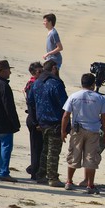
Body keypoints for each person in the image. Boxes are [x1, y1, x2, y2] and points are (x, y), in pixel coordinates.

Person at [61, 73, 105, 194]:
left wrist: (63, 131)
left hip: (77, 130)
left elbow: (66, 115)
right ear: (93, 85)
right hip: (93, 131)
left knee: (74, 155)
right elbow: (104, 118)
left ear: (82, 83)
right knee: (90, 158)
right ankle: (90, 185)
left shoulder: (74, 96)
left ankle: (69, 181)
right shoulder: (100, 98)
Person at [27, 59, 67, 187]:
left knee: (45, 150)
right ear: (54, 68)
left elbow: (30, 102)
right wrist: (67, 125)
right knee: (53, 151)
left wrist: (35, 121)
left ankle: (41, 174)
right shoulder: (55, 84)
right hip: (54, 122)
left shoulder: (37, 83)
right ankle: (52, 177)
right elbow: (65, 105)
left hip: (42, 122)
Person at [24, 62, 44, 180]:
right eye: (39, 72)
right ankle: (34, 172)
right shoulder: (32, 84)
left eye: (42, 71)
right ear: (33, 73)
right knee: (36, 147)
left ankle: (35, 169)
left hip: (37, 118)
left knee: (39, 146)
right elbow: (31, 105)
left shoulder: (37, 83)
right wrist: (36, 122)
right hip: (34, 119)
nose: (41, 73)